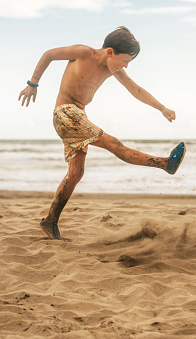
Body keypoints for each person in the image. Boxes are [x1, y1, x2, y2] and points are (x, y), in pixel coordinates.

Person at [18, 26, 185, 240]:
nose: (125, 66)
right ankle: (165, 164)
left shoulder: (113, 69)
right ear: (110, 52)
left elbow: (137, 90)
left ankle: (50, 221)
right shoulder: (82, 53)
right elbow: (49, 55)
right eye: (125, 61)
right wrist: (33, 83)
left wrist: (162, 108)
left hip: (79, 116)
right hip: (65, 113)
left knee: (76, 173)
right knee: (114, 144)